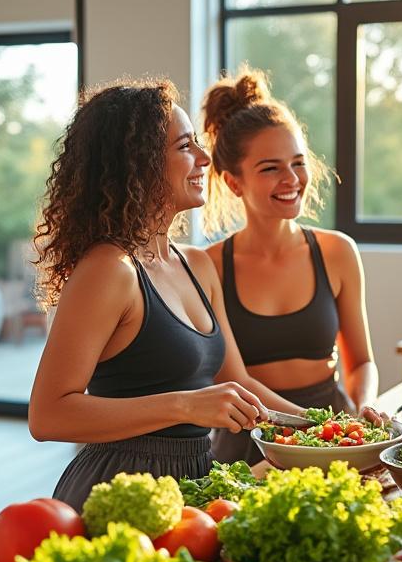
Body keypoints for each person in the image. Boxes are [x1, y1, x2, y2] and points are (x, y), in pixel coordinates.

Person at [27, 78, 302, 510]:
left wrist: (331, 430)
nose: (205, 158)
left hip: (196, 479)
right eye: (185, 147)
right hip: (120, 492)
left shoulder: (197, 264)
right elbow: (48, 415)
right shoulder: (108, 271)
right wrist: (185, 406)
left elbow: (237, 381)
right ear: (138, 163)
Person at [199, 69, 380, 464]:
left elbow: (362, 361)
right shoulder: (209, 266)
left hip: (335, 429)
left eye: (297, 163)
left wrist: (363, 408)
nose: (291, 179)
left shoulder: (337, 252)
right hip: (251, 441)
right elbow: (234, 379)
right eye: (270, 168)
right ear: (233, 182)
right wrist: (316, 428)